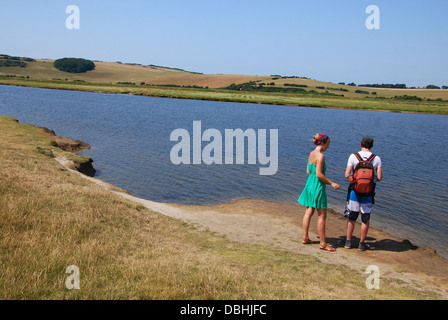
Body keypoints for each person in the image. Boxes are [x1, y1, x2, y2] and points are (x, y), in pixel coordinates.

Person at [298, 133, 340, 252]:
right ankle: (323, 244)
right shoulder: (320, 156)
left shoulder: (311, 154)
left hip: (309, 184)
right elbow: (319, 174)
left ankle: (305, 238)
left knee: (308, 211)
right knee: (322, 215)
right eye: (327, 144)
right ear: (322, 143)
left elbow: (308, 171)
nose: (328, 147)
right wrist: (332, 183)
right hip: (317, 186)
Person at [339, 136, 383, 251]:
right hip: (368, 193)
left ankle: (348, 242)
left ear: (360, 144)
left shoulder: (353, 156)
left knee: (352, 218)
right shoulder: (376, 158)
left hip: (355, 192)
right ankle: (361, 244)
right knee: (365, 219)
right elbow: (379, 178)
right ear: (372, 146)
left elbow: (347, 174)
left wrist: (355, 181)